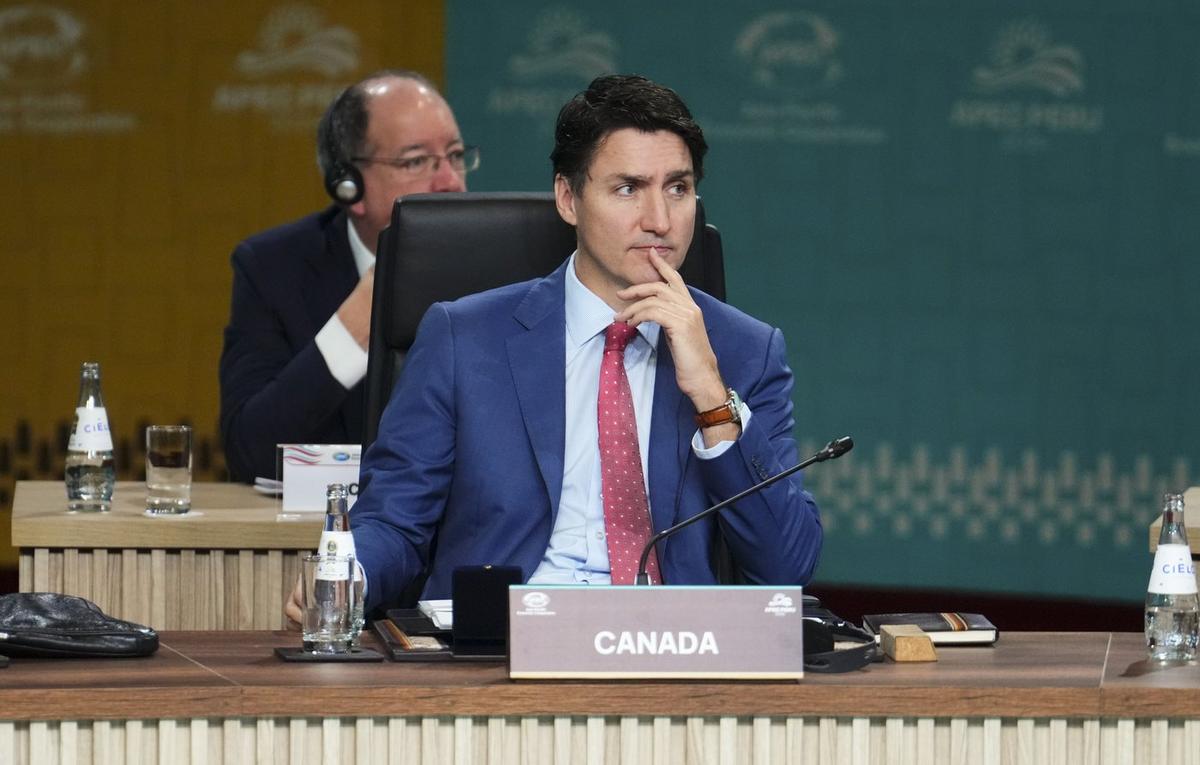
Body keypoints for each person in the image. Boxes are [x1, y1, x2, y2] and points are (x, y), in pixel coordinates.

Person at [286, 73, 823, 624]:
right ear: (568, 198)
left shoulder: (744, 350)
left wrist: (711, 395)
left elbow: (786, 565)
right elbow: (396, 522)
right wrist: (349, 572)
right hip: (503, 647)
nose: (659, 220)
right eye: (627, 188)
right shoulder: (463, 338)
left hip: (671, 647)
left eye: (678, 188)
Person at [219, 70, 478, 482]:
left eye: (456, 156)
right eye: (416, 161)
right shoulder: (272, 269)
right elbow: (249, 452)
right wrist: (351, 332)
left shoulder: (503, 265)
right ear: (348, 186)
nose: (450, 182)